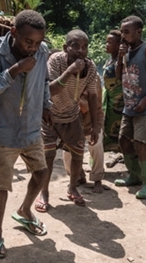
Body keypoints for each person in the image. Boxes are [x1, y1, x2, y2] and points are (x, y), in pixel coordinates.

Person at [0, 10, 51, 259]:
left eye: (38, 42)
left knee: (41, 173)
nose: (33, 48)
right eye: (29, 41)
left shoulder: (43, 51)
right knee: (1, 185)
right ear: (13, 32)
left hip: (30, 129)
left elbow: (44, 82)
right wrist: (14, 71)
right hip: (1, 130)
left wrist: (46, 105)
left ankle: (25, 210)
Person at [39, 29, 100, 209]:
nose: (81, 51)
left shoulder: (90, 67)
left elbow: (93, 96)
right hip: (49, 115)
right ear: (66, 48)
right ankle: (44, 192)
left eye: (85, 47)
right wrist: (70, 71)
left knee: (77, 153)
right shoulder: (56, 60)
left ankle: (72, 188)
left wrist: (95, 126)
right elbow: (49, 90)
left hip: (72, 116)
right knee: (47, 157)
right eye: (75, 46)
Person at [113, 15, 146, 199]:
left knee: (140, 144)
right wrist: (120, 57)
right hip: (130, 106)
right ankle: (134, 175)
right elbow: (119, 76)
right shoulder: (126, 51)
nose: (123, 35)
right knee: (123, 140)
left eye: (127, 32)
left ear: (138, 32)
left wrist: (145, 100)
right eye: (122, 31)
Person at [63, 74, 106, 193]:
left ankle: (97, 179)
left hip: (91, 120)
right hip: (71, 122)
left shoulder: (93, 77)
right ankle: (77, 176)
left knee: (96, 146)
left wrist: (96, 126)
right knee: (67, 153)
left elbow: (97, 105)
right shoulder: (66, 76)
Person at [102, 30, 124, 151]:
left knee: (116, 126)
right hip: (109, 98)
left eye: (110, 42)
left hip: (118, 101)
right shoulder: (109, 60)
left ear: (118, 45)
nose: (107, 45)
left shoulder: (121, 61)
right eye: (107, 42)